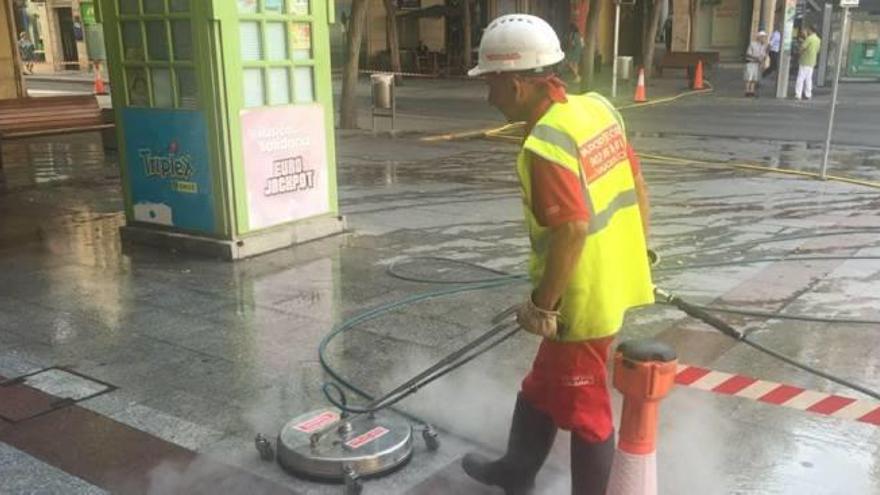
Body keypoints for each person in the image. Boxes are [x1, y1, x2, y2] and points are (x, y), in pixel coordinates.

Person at [463, 14, 654, 495]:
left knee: (587, 414)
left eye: (492, 85)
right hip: (615, 279)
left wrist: (542, 305)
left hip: (582, 301)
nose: (489, 99)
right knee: (542, 387)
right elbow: (636, 183)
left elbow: (571, 229)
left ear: (519, 84)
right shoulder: (598, 109)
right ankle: (516, 470)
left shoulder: (545, 144)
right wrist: (642, 251)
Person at [795, 24, 821, 100]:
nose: (807, 31)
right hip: (812, 61)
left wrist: (799, 52)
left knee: (801, 78)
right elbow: (817, 50)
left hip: (805, 61)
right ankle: (808, 94)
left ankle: (798, 94)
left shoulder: (809, 38)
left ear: (810, 30)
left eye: (808, 30)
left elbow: (802, 48)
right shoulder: (818, 39)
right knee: (809, 78)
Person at [744, 31, 768, 97]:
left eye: (765, 37)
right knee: (749, 77)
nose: (764, 39)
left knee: (754, 78)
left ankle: (752, 91)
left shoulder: (764, 46)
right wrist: (756, 58)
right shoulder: (752, 44)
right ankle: (747, 90)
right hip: (751, 62)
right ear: (759, 37)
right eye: (762, 37)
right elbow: (748, 54)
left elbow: (764, 55)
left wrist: (763, 60)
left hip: (757, 64)